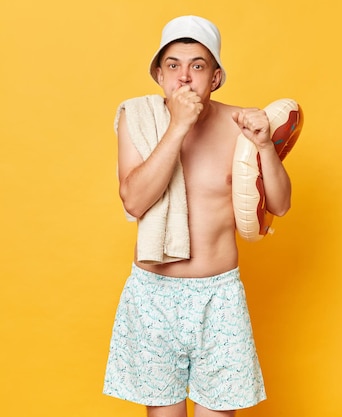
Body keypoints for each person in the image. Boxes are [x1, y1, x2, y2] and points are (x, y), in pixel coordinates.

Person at [104, 15, 292, 417]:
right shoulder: (137, 119)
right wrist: (178, 126)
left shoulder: (243, 124)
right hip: (153, 293)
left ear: (216, 77)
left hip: (219, 296)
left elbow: (279, 204)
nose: (184, 77)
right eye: (172, 65)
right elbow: (134, 201)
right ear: (158, 74)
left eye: (197, 65)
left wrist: (264, 146)